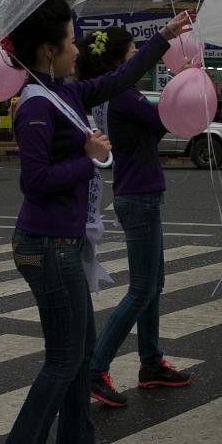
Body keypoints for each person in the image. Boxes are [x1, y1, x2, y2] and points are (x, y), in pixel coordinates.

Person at [0, 0, 191, 444]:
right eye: (71, 40)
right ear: (48, 49)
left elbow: (117, 81)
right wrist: (91, 158)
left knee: (77, 363)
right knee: (63, 363)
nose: (78, 48)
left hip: (63, 244)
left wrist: (163, 36)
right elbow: (35, 181)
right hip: (45, 246)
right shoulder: (35, 105)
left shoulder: (63, 92)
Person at [79, 26, 194, 410]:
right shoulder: (121, 94)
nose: (136, 59)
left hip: (136, 192)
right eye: (132, 52)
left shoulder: (111, 95)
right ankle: (96, 368)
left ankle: (151, 363)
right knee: (143, 288)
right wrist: (181, 84)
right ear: (119, 58)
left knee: (153, 284)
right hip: (138, 197)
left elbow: (150, 133)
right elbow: (163, 121)